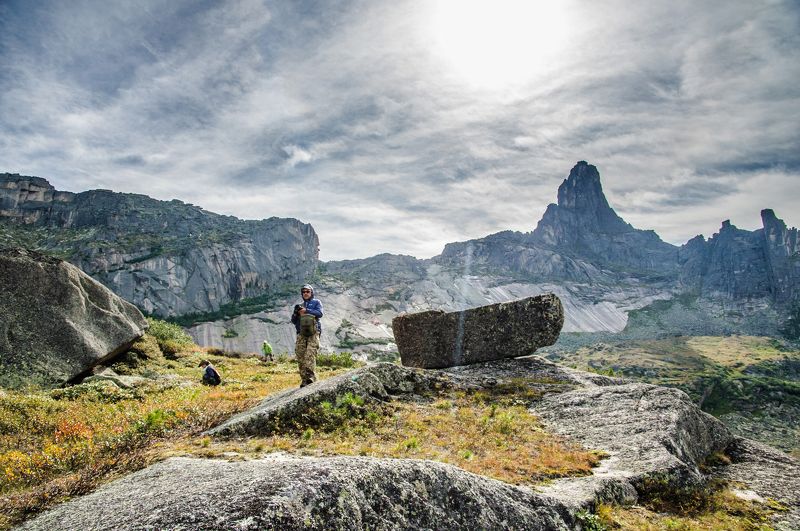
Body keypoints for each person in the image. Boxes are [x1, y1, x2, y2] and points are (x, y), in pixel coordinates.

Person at [290, 284, 323, 387]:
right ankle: (304, 379)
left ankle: (310, 378)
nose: (305, 293)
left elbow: (320, 313)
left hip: (313, 332)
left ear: (311, 293)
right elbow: (293, 321)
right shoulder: (299, 305)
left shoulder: (316, 302)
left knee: (310, 354)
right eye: (303, 292)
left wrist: (307, 311)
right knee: (300, 355)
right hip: (301, 333)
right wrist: (296, 313)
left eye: (307, 291)